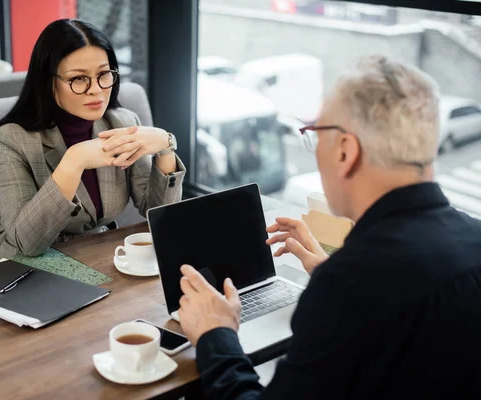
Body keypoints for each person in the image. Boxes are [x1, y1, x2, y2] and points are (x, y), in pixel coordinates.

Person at [178, 55, 481, 399]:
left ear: (345, 151)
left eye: (317, 133)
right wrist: (331, 272)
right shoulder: (474, 239)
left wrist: (216, 335)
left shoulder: (350, 285)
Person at [0, 19, 185, 262]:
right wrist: (74, 160)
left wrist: (165, 145)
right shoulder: (9, 140)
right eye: (79, 79)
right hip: (20, 268)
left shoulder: (122, 123)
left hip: (97, 257)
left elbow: (158, 211)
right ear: (48, 82)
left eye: (103, 74)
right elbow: (27, 242)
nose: (96, 90)